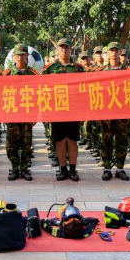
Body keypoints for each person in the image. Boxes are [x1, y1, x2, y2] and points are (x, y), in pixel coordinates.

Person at [42, 38, 85, 181]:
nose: (64, 50)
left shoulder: (79, 68)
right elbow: (42, 88)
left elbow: (86, 88)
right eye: (61, 48)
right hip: (57, 110)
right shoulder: (50, 69)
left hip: (74, 110)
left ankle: (73, 169)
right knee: (60, 140)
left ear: (71, 50)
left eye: (66, 48)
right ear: (57, 50)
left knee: (72, 140)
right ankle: (63, 169)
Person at [96, 42, 130, 181]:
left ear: (120, 53)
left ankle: (120, 168)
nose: (114, 53)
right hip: (107, 112)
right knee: (106, 140)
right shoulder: (101, 71)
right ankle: (107, 168)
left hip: (123, 111)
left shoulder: (128, 71)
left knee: (122, 140)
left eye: (116, 50)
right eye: (112, 51)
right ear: (108, 53)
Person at [3, 44, 37, 181]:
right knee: (11, 143)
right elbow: (1, 94)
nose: (20, 57)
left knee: (26, 143)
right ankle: (14, 168)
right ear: (13, 57)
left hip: (27, 113)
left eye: (23, 55)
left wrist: (35, 114)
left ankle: (24, 169)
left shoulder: (33, 74)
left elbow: (37, 95)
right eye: (18, 55)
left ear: (27, 56)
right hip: (12, 113)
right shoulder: (6, 74)